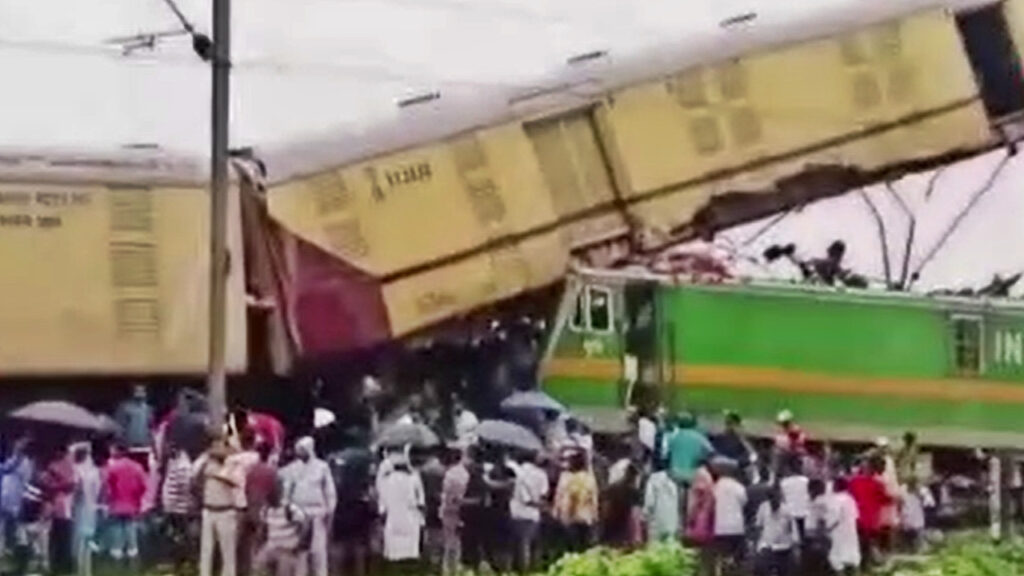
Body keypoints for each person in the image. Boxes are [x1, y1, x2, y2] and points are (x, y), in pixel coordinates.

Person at [281, 437, 336, 576]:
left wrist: (330, 511)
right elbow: (287, 491)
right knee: (300, 553)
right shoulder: (293, 468)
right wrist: (288, 508)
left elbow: (330, 491)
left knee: (318, 552)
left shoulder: (322, 467)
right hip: (298, 515)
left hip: (318, 514)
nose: (300, 452)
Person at [197, 439, 241, 576]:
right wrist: (204, 460)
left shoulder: (234, 464)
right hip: (208, 510)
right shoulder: (206, 464)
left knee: (228, 551)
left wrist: (216, 474)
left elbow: (235, 481)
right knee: (206, 550)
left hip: (226, 511)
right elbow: (194, 475)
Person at [378, 452, 426, 572]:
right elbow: (421, 502)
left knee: (394, 554)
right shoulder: (414, 478)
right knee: (411, 552)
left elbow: (382, 507)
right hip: (411, 519)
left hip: (393, 520)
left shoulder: (386, 481)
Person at [105, 442, 148, 566]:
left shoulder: (113, 468)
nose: (111, 453)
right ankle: (133, 561)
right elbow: (143, 486)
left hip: (116, 505)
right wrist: (137, 498)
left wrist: (110, 500)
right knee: (131, 533)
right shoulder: (137, 467)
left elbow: (108, 487)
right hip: (132, 505)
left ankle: (117, 563)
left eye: (112, 450)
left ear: (119, 451)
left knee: (117, 534)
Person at [255, 480, 309, 576]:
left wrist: (299, 542)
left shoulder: (290, 509)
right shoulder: (266, 510)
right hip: (271, 547)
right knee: (257, 566)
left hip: (286, 549)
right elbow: (262, 528)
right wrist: (259, 544)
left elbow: (305, 523)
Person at [509, 452, 549, 572]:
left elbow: (521, 496)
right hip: (534, 514)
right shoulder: (542, 474)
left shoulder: (520, 473)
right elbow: (544, 494)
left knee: (521, 545)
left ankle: (522, 570)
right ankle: (534, 570)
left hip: (518, 513)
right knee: (533, 545)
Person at [553, 450, 598, 553]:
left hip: (569, 516)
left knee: (570, 546)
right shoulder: (589, 478)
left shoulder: (566, 477)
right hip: (586, 517)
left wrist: (556, 513)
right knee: (584, 546)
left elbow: (559, 497)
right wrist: (595, 516)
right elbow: (593, 498)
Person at [848, 457, 890, 568]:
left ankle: (858, 565)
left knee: (858, 544)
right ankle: (868, 564)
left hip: (856, 519)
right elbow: (885, 500)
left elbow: (848, 496)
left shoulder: (853, 482)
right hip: (871, 521)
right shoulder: (877, 484)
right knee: (870, 543)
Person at [666, 412, 714, 508]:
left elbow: (666, 452)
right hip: (692, 475)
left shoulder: (672, 437)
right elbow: (711, 452)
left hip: (674, 474)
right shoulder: (699, 437)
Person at [161, 444, 196, 573]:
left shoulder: (183, 467)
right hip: (173, 508)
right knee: (176, 537)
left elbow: (186, 488)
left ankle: (185, 563)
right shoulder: (174, 463)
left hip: (180, 509)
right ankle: (179, 563)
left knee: (182, 538)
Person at [43, 444, 76, 575]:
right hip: (54, 507)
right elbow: (45, 482)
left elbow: (71, 484)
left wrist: (57, 480)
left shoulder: (68, 466)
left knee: (63, 539)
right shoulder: (52, 465)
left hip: (65, 508)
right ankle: (54, 566)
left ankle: (64, 566)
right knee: (54, 539)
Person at [440, 448, 471, 576]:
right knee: (457, 542)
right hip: (462, 509)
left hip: (450, 511)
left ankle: (447, 570)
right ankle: (456, 568)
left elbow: (448, 495)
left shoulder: (450, 474)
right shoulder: (465, 473)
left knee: (449, 542)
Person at [71, 443, 100, 576]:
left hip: (80, 508)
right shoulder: (94, 471)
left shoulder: (77, 470)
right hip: (92, 509)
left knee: (78, 542)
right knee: (88, 541)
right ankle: (87, 571)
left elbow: (77, 490)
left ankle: (79, 570)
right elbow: (99, 490)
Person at [755, 487, 798, 576]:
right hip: (766, 546)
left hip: (783, 547)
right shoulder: (763, 507)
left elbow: (794, 530)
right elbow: (758, 526)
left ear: (780, 498)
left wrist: (794, 544)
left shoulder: (787, 509)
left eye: (776, 497)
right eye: (771, 497)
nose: (774, 500)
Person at [713, 465, 748, 576]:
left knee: (720, 554)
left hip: (719, 527)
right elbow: (744, 502)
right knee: (735, 555)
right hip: (736, 527)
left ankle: (721, 571)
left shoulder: (715, 487)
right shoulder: (738, 487)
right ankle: (732, 568)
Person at [825, 477, 861, 576]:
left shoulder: (835, 500)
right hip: (850, 530)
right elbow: (856, 516)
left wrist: (828, 528)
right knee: (853, 555)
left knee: (837, 557)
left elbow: (834, 518)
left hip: (839, 532)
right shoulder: (850, 499)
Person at [643, 458, 679, 543]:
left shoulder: (653, 480)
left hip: (656, 522)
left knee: (654, 550)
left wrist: (645, 515)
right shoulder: (673, 483)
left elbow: (649, 501)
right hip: (671, 523)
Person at [115, 384, 155, 459]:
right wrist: (120, 444)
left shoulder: (149, 409)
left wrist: (152, 443)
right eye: (137, 391)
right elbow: (120, 427)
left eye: (142, 391)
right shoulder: (124, 407)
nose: (140, 393)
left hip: (145, 445)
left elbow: (151, 427)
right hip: (130, 446)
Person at [779, 455, 810, 541]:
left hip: (790, 515)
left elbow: (782, 500)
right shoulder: (806, 481)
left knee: (792, 540)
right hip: (804, 514)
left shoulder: (783, 483)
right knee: (804, 539)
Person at [899, 477, 933, 553]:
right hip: (917, 521)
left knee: (913, 534)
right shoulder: (914, 497)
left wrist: (903, 519)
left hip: (912, 522)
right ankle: (921, 547)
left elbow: (906, 511)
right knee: (917, 534)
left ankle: (918, 547)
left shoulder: (909, 498)